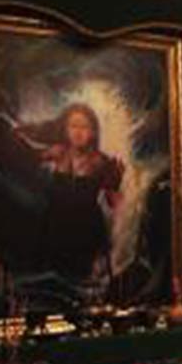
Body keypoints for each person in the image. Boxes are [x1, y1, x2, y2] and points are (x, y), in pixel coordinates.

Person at [28, 103, 124, 284]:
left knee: (82, 283)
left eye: (84, 127)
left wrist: (116, 183)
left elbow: (115, 203)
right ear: (66, 130)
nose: (78, 132)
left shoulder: (101, 162)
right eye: (73, 126)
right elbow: (28, 156)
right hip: (54, 228)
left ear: (92, 132)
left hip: (86, 231)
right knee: (51, 282)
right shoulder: (58, 153)